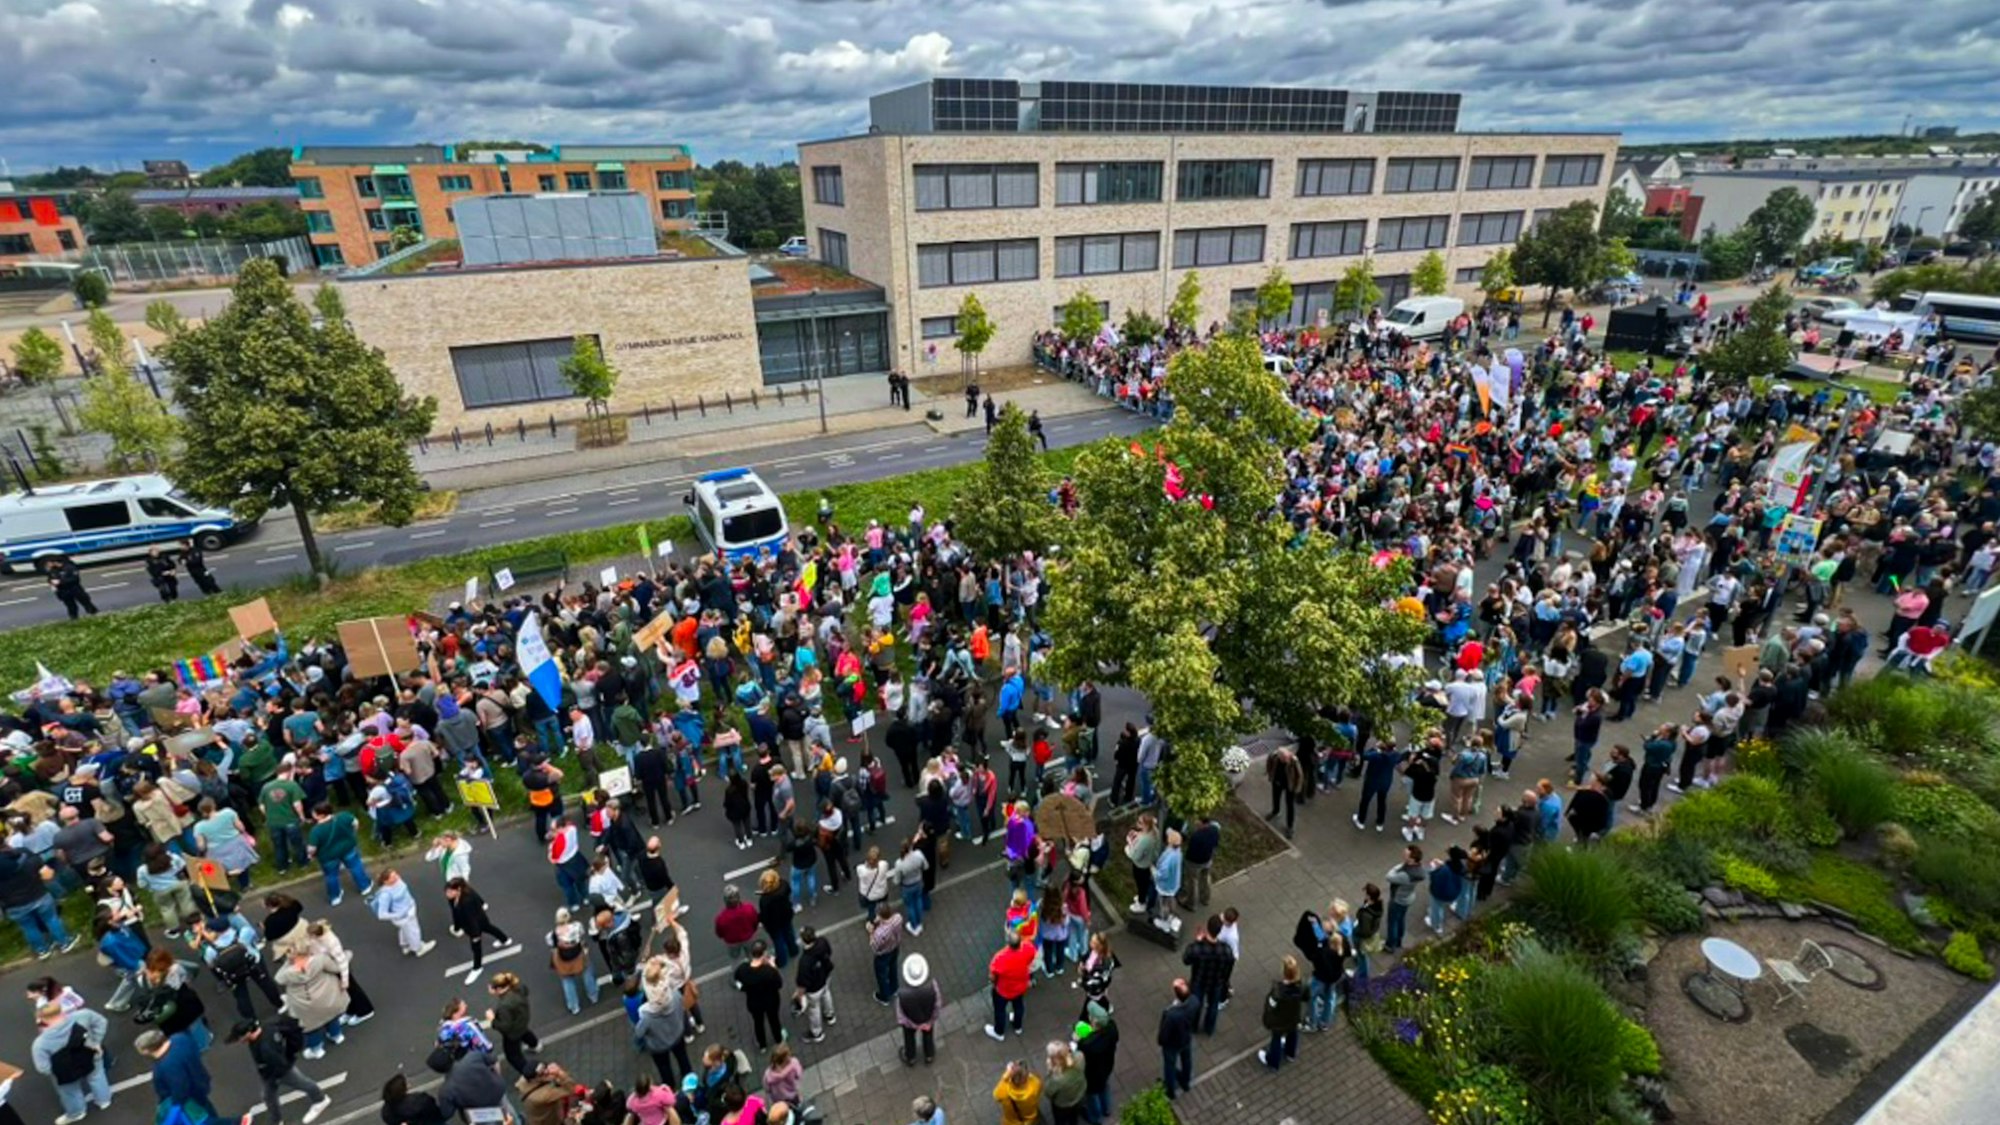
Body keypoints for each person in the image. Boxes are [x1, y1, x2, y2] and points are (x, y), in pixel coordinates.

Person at [228, 1016, 334, 1125]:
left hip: (278, 1072)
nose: (239, 1041)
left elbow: (278, 1064)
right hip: (274, 1070)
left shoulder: (266, 1048)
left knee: (302, 1084)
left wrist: (275, 1078)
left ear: (248, 1033)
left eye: (239, 1037)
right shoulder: (267, 1029)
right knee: (268, 1095)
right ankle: (277, 1120)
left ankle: (320, 1100)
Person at [136, 1027, 248, 1125]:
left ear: (148, 1049)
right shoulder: (180, 1039)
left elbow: (180, 1089)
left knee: (202, 1119)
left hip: (190, 1098)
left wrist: (173, 1112)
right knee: (206, 1112)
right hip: (200, 1082)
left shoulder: (167, 1066)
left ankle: (236, 1122)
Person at [31, 998, 111, 1125]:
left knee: (69, 1091)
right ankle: (104, 1100)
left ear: (42, 1019)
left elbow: (43, 1067)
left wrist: (55, 1071)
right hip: (90, 1055)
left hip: (66, 1071)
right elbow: (102, 1022)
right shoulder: (84, 1015)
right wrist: (95, 1042)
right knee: (97, 1077)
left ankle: (77, 1112)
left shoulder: (40, 1043)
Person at [272, 947, 348, 1058]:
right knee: (331, 1017)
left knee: (311, 1028)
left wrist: (288, 962)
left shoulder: (288, 973)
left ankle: (316, 1049)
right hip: (325, 997)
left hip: (304, 1004)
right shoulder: (319, 960)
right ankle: (336, 1035)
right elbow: (336, 967)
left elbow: (278, 978)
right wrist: (347, 955)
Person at [444, 878, 515, 986]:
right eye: (446, 891)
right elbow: (456, 913)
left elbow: (471, 920)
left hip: (475, 924)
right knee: (489, 928)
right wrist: (457, 927)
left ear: (458, 890)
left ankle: (477, 968)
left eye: (449, 891)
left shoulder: (466, 901)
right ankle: (505, 940)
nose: (447, 894)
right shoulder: (454, 897)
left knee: (476, 947)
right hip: (477, 920)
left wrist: (475, 936)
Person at [304, 803, 370, 906]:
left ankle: (335, 897)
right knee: (355, 866)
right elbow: (355, 823)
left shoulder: (316, 831)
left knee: (331, 876)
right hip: (348, 848)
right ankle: (365, 886)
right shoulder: (343, 816)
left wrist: (310, 855)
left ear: (321, 815)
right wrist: (352, 834)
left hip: (328, 856)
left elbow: (312, 848)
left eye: (314, 813)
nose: (312, 815)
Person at [1180, 916, 1234, 1037]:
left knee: (1196, 1004)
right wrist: (1224, 981)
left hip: (1199, 981)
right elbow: (1229, 967)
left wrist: (1197, 941)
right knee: (1213, 1006)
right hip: (1216, 982)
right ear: (1219, 931)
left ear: (1207, 928)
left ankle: (1193, 1027)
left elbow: (1186, 960)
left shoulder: (1198, 948)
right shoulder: (1226, 950)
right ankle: (1209, 1029)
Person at [366, 868, 434, 958]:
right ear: (386, 882)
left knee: (405, 930)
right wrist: (399, 915)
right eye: (393, 877)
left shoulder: (398, 882)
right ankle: (418, 949)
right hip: (404, 916)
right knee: (414, 931)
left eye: (396, 874)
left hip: (408, 910)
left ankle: (405, 945)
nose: (397, 877)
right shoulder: (385, 895)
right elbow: (381, 915)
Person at [731, 940, 786, 1050]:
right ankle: (778, 1039)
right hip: (771, 1001)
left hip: (754, 1003)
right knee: (774, 1020)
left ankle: (762, 1045)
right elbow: (779, 984)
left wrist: (745, 989)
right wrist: (773, 966)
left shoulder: (742, 969)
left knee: (758, 1022)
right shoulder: (769, 971)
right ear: (764, 954)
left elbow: (737, 983)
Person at [1258, 956, 1308, 1071]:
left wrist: (1267, 1019)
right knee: (1293, 1033)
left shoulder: (1278, 991)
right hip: (1294, 1017)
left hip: (1279, 1020)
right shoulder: (1302, 986)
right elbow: (1306, 997)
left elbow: (1270, 1006)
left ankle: (1273, 1062)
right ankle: (1290, 1054)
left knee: (1276, 1038)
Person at [546, 907, 599, 1014]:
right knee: (587, 972)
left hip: (563, 959)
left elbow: (551, 945)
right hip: (578, 954)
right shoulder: (577, 926)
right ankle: (593, 995)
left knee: (567, 980)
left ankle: (574, 1006)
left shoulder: (552, 934)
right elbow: (582, 934)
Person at [487, 972, 540, 1078]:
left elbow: (505, 1026)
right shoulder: (518, 988)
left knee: (513, 1055)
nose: (489, 988)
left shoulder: (504, 1006)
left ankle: (528, 1073)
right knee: (525, 1032)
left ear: (498, 989)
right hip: (522, 1020)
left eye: (491, 987)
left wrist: (492, 1020)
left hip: (513, 1033)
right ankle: (535, 1045)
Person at [1072, 1007, 1119, 1124]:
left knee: (1092, 1095)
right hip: (1107, 1066)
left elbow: (1079, 1056)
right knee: (1104, 1086)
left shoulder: (1086, 1044)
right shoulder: (1112, 1028)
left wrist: (1076, 1041)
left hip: (1092, 1075)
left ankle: (1095, 1118)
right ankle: (1107, 1109)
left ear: (1094, 1022)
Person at [986, 930, 1035, 1041]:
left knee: (1000, 1010)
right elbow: (1031, 959)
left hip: (1004, 990)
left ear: (1008, 943)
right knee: (1018, 1006)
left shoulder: (1000, 957)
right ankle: (1018, 1026)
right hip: (1021, 986)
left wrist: (993, 983)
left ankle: (999, 1032)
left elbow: (992, 976)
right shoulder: (1028, 948)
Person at [896, 952, 943, 1066]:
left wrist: (914, 1025)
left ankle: (910, 1057)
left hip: (910, 1023)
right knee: (928, 1035)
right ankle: (929, 1055)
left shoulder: (902, 993)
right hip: (927, 1020)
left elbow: (901, 1015)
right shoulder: (932, 986)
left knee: (909, 1038)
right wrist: (929, 1022)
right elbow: (937, 1005)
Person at [1155, 979, 1198, 1102]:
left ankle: (1170, 1091)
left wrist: (1161, 1041)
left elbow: (1164, 1034)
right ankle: (1185, 1082)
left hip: (1172, 1044)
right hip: (1186, 1038)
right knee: (1187, 1059)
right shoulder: (1194, 1001)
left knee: (1169, 1066)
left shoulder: (1171, 1014)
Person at [794, 924, 836, 1043]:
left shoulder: (804, 961)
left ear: (803, 941)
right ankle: (830, 1015)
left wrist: (798, 996)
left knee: (814, 1009)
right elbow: (829, 952)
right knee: (827, 993)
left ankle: (817, 1033)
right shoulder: (822, 942)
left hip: (814, 988)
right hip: (825, 976)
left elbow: (802, 982)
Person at [1384, 846, 1423, 953]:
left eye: (1406, 854)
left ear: (1411, 860)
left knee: (1392, 922)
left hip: (1398, 899)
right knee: (1401, 918)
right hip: (1408, 897)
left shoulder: (1405, 875)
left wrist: (1397, 867)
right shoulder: (1418, 869)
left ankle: (1390, 945)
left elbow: (1388, 877)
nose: (1403, 855)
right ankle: (1399, 939)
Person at [992, 1059, 1043, 1125]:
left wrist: (1006, 1075)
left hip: (1011, 1122)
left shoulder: (1004, 1090)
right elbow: (1040, 1086)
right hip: (1030, 1120)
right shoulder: (1035, 1084)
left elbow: (996, 1096)